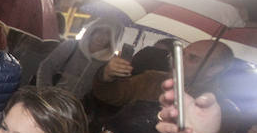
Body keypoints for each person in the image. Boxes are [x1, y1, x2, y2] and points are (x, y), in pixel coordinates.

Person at [93, 39, 234, 107]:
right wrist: (107, 75)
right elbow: (112, 95)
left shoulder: (220, 109)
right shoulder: (153, 79)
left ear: (213, 70)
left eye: (192, 58)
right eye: (182, 53)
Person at [37, 18, 123, 99]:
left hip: (79, 110)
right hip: (51, 100)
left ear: (113, 38)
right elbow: (47, 67)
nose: (101, 36)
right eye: (99, 30)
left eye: (108, 33)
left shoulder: (110, 63)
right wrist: (44, 93)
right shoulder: (71, 46)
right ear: (92, 30)